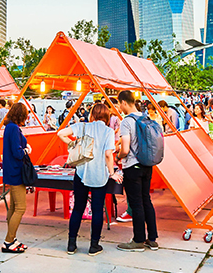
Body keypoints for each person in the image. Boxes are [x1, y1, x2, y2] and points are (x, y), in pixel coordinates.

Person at [58, 103, 122, 255]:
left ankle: (71, 245)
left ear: (92, 114)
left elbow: (60, 133)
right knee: (97, 210)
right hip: (99, 175)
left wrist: (74, 144)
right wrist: (112, 172)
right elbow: (108, 154)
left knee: (78, 209)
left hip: (81, 173)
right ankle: (94, 246)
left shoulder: (82, 126)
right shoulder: (108, 131)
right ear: (107, 117)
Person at [116, 90, 158, 252]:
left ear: (124, 102)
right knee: (146, 200)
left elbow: (125, 149)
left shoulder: (127, 121)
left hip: (132, 167)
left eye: (119, 104)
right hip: (147, 164)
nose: (119, 107)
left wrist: (119, 156)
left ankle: (138, 240)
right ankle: (152, 239)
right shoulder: (145, 117)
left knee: (136, 203)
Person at [1, 103, 31, 253]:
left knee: (13, 207)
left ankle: (12, 239)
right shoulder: (13, 128)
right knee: (20, 208)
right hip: (16, 172)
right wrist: (26, 150)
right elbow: (17, 152)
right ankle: (8, 241)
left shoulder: (9, 127)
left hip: (10, 171)